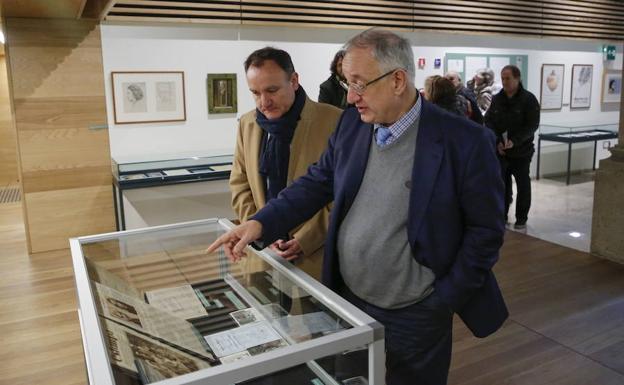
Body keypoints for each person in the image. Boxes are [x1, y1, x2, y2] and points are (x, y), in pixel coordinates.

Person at [209, 29, 508, 385]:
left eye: (359, 83)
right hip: (348, 299)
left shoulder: (465, 141)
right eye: (345, 82)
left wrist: (442, 300)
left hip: (418, 310)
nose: (350, 97)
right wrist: (259, 224)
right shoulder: (353, 124)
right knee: (347, 379)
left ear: (398, 80)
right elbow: (316, 183)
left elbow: (486, 232)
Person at [229, 47, 342, 280]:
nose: (264, 102)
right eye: (255, 93)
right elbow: (240, 183)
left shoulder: (335, 121)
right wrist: (259, 228)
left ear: (294, 81)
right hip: (263, 254)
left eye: (272, 90)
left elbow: (343, 192)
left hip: (315, 257)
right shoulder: (248, 123)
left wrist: (306, 238)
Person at [485, 64, 540, 230]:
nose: (504, 82)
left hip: (521, 152)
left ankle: (521, 218)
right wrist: (497, 141)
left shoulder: (529, 99)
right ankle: (502, 216)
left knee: (523, 185)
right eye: (502, 78)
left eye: (508, 78)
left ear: (517, 78)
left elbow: (532, 125)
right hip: (502, 152)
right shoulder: (497, 99)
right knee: (502, 185)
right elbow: (489, 121)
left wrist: (514, 141)